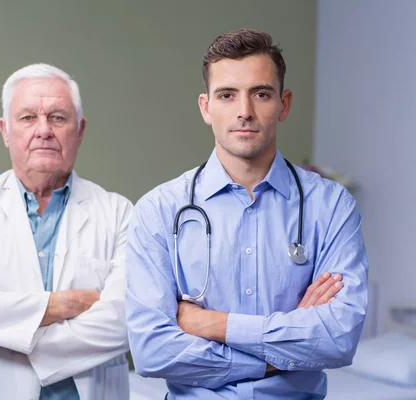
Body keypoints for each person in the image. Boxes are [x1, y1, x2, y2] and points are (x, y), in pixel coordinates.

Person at [125, 29, 368, 399]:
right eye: (227, 95)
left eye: (261, 93)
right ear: (206, 107)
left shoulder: (331, 206)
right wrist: (276, 354)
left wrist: (213, 324)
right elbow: (152, 352)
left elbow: (337, 339)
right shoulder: (159, 211)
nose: (244, 111)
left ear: (284, 104)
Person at [0, 63, 132, 400]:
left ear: (80, 130)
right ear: (5, 130)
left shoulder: (119, 213)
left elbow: (123, 321)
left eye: (58, 117)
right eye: (28, 118)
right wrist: (64, 304)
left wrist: (1, 326)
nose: (44, 130)